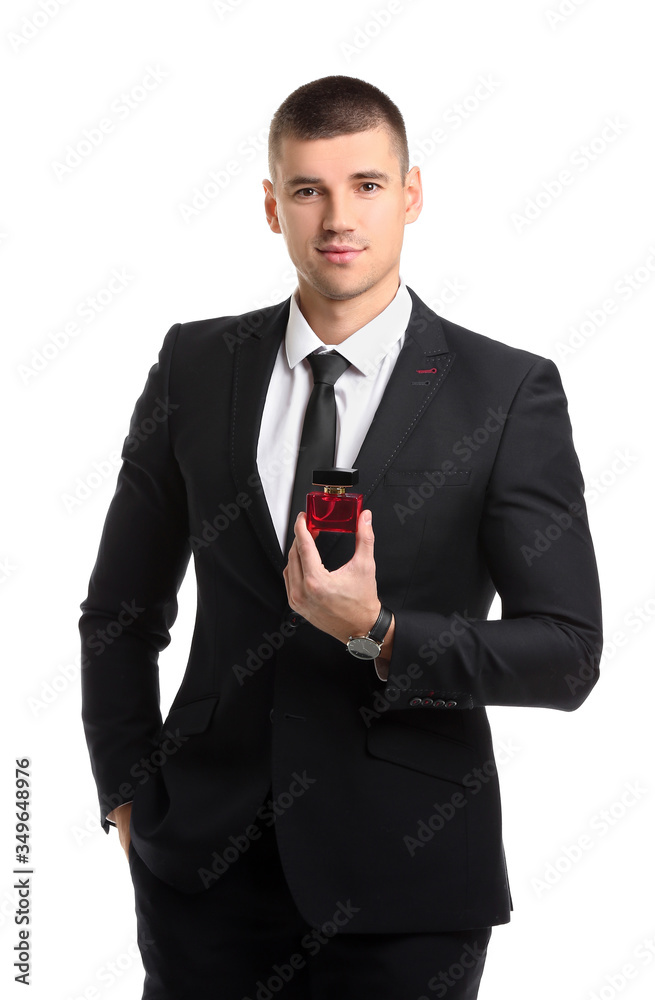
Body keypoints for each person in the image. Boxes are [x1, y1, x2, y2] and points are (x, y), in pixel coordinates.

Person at [79, 74, 603, 999]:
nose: (337, 219)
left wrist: (379, 632)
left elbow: (564, 655)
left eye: (365, 185)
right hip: (201, 869)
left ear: (410, 194)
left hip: (406, 881)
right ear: (271, 206)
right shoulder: (194, 365)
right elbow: (120, 611)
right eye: (307, 189)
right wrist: (126, 793)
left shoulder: (504, 392)